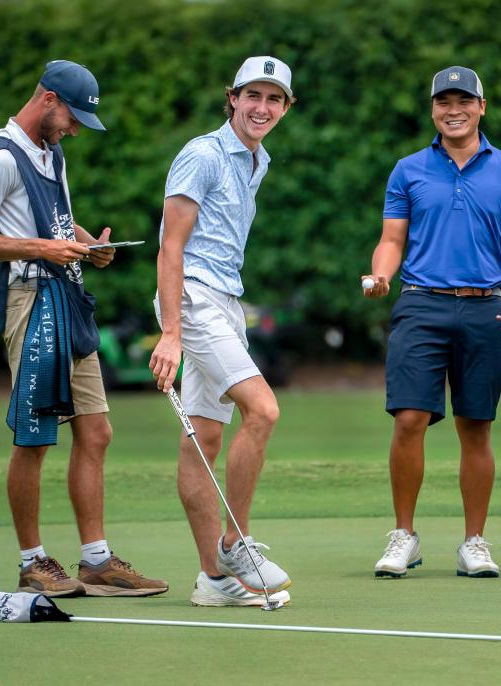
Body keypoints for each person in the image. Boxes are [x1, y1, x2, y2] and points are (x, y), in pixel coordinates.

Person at [0, 60, 167, 597]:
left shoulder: (52, 152)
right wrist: (41, 249)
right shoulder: (1, 157)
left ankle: (96, 562)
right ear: (48, 99)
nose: (75, 129)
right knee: (36, 437)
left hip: (68, 298)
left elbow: (53, 222)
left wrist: (87, 242)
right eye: (72, 117)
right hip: (28, 302)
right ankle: (33, 563)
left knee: (96, 430)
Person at [363, 66, 501, 579]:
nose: (454, 109)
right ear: (432, 110)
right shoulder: (409, 169)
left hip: (486, 307)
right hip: (421, 303)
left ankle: (474, 542)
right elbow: (392, 239)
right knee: (409, 420)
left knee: (476, 426)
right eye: (443, 101)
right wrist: (382, 275)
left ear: (481, 107)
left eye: (463, 100)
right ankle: (404, 535)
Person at [149, 56, 295, 607]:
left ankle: (213, 580)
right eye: (252, 95)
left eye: (274, 99)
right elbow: (171, 245)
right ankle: (236, 544)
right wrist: (170, 332)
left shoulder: (258, 160)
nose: (262, 108)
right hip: (194, 300)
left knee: (204, 439)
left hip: (226, 301)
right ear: (231, 97)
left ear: (286, 107)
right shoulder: (202, 154)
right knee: (264, 410)